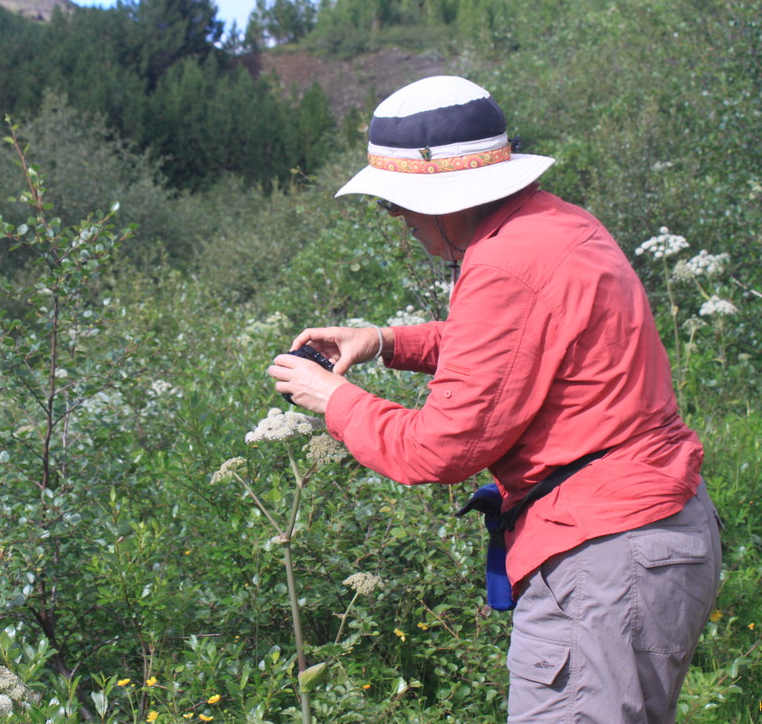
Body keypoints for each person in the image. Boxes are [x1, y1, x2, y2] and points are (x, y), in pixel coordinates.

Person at [267, 76, 722, 724]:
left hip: (604, 560)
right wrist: (386, 341)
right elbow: (512, 347)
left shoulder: (506, 261)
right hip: (644, 539)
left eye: (396, 206)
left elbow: (438, 449)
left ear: (443, 198)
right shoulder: (551, 225)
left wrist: (333, 398)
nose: (398, 223)